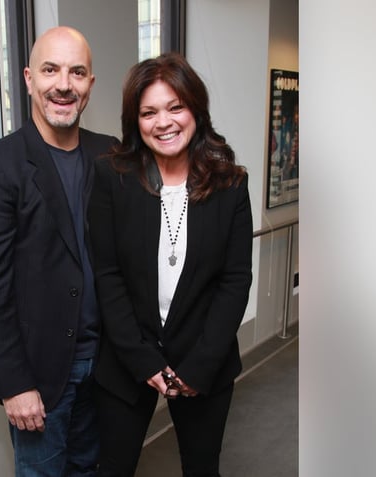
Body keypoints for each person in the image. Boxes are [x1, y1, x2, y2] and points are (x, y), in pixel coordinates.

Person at [0, 26, 117, 476]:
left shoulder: (110, 155)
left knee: (88, 469)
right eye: (50, 70)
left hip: (103, 365)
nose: (63, 84)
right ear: (29, 79)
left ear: (90, 84)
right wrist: (16, 384)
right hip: (40, 375)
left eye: (77, 72)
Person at [88, 52, 253, 476]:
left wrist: (201, 365)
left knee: (202, 468)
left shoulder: (231, 184)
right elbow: (107, 275)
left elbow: (235, 281)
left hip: (204, 361)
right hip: (127, 359)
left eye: (175, 106)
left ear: (196, 109)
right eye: (149, 112)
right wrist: (140, 358)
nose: (164, 122)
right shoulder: (113, 177)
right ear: (135, 120)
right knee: (114, 469)